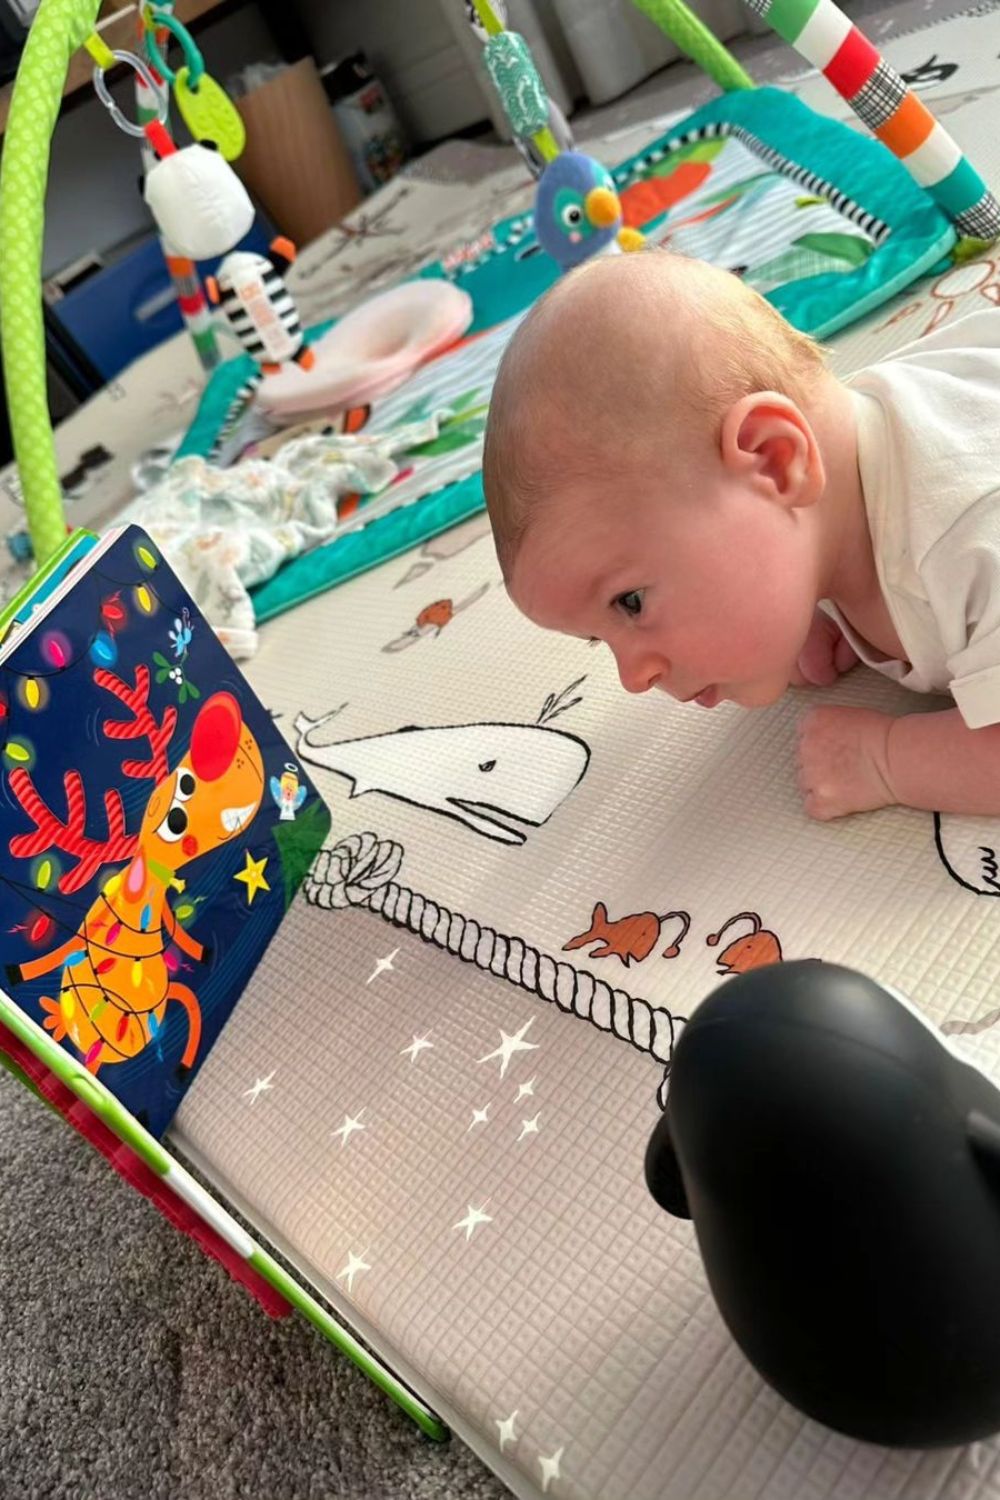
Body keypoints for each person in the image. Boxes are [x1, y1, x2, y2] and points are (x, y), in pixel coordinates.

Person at [482, 250, 1000, 821]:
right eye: (600, 640)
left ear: (773, 462)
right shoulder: (827, 498)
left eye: (629, 603)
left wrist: (888, 759)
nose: (634, 678)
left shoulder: (967, 539)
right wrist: (814, 605)